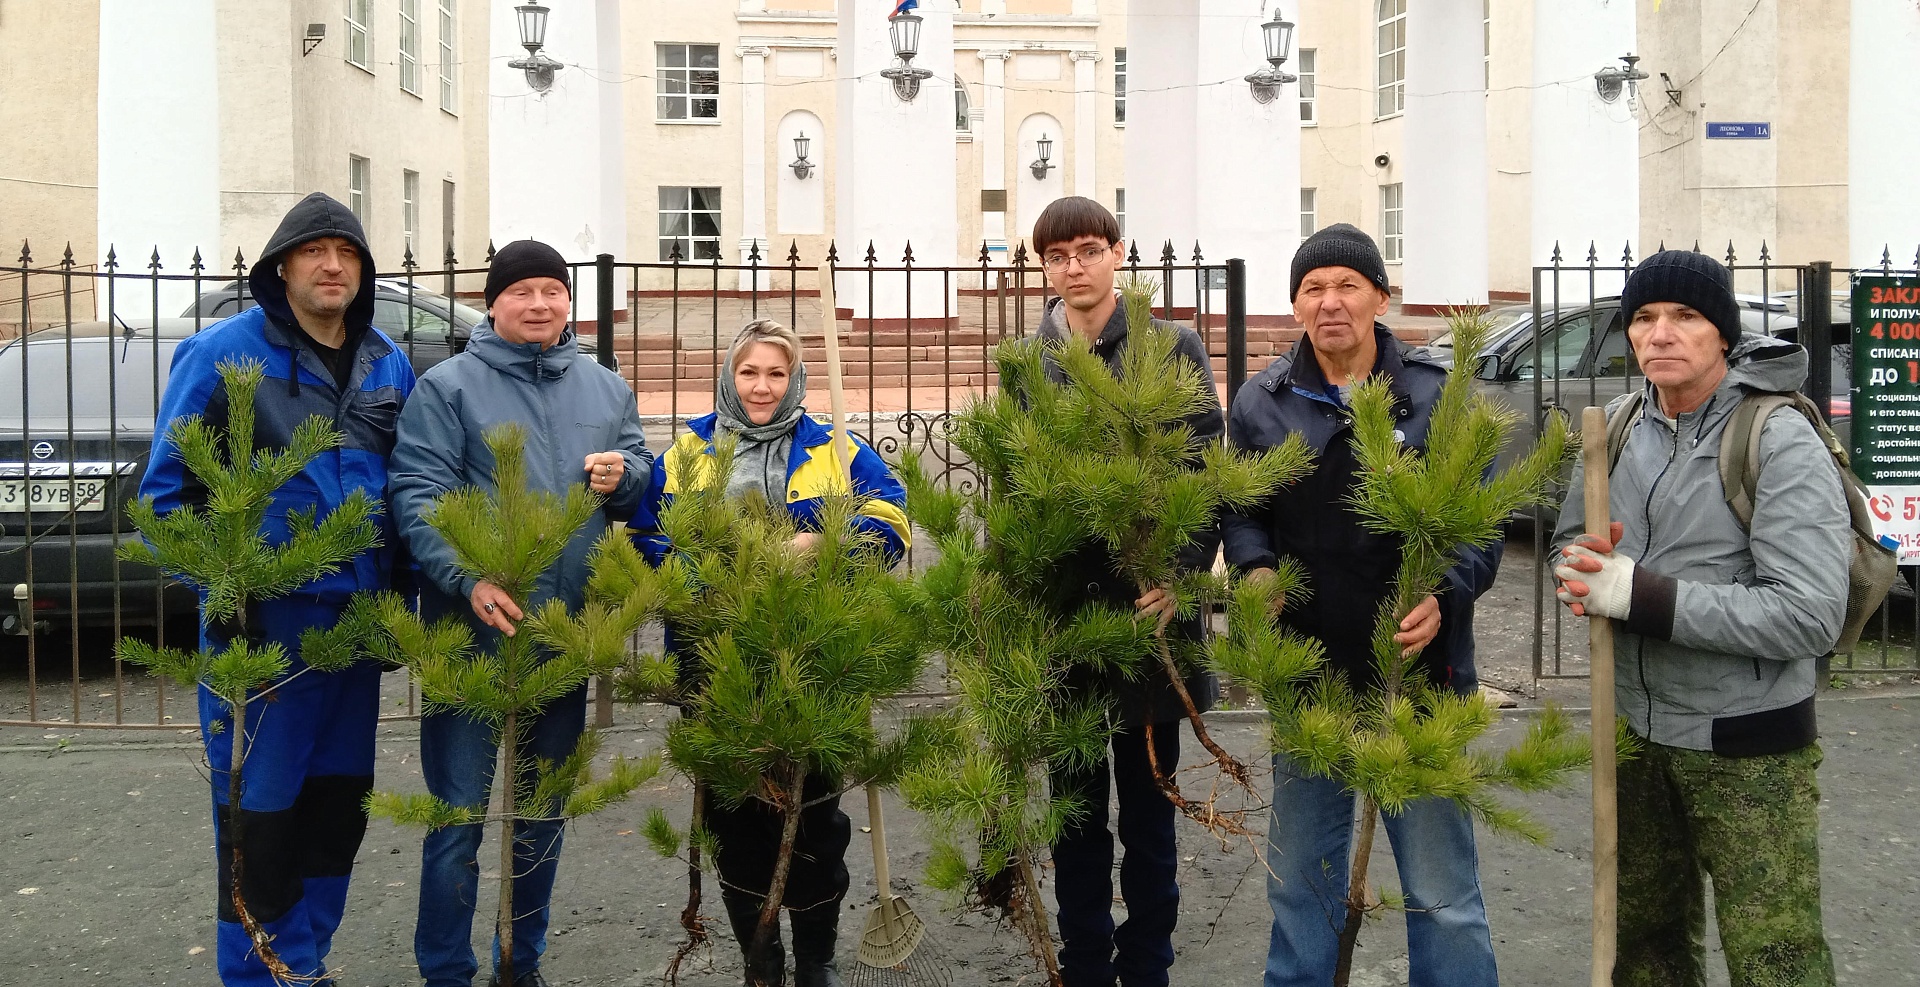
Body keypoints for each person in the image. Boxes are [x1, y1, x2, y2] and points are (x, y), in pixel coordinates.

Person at [139, 192, 416, 986]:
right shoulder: (223, 355)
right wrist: (231, 592)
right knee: (261, 817)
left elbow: (404, 492)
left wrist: (398, 605)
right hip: (264, 634)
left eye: (348, 252)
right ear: (281, 267)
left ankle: (304, 963)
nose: (333, 266)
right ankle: (260, 974)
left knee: (336, 810)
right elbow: (164, 500)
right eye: (314, 251)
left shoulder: (385, 361)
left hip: (354, 632)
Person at [1552, 250, 1846, 987]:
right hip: (1634, 734)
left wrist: (1639, 595)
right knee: (1647, 956)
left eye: (1685, 316)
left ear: (1722, 332)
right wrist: (1578, 569)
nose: (1660, 333)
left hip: (1748, 747)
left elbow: (1809, 613)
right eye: (1645, 317)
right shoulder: (1619, 427)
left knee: (1776, 962)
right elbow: (1570, 538)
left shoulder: (1775, 436)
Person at [1221, 223, 1504, 987]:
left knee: (1442, 894)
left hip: (1420, 677)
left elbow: (1482, 522)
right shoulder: (1264, 402)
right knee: (1299, 884)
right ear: (1296, 306)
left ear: (1381, 296)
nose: (1330, 301)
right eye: (1313, 288)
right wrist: (1255, 566)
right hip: (1311, 678)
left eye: (1348, 285)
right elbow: (1242, 508)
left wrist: (1445, 593)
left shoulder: (1436, 394)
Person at [388, 239, 653, 987]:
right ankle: (446, 970)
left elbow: (638, 475)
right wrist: (465, 575)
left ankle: (520, 961)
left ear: (568, 301)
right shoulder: (449, 388)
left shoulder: (605, 388)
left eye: (552, 291)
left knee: (541, 815)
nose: (539, 304)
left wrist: (626, 475)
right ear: (493, 302)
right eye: (522, 291)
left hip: (562, 636)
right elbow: (417, 492)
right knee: (459, 816)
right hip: (473, 635)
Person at [630, 319, 911, 987]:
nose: (761, 386)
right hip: (715, 657)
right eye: (749, 372)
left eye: (776, 374)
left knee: (815, 819)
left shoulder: (834, 449)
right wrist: (713, 577)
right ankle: (762, 961)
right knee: (735, 819)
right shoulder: (690, 451)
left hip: (814, 655)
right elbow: (649, 536)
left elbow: (894, 521)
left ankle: (816, 960)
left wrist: (823, 543)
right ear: (730, 377)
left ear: (796, 380)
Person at [1018, 195, 1224, 987]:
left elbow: (1206, 469)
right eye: (1057, 255)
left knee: (1148, 813)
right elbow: (1017, 485)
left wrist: (1180, 574)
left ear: (1117, 253)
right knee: (1074, 818)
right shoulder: (1029, 361)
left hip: (1147, 616)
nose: (1074, 267)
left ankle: (1146, 965)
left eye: (1089, 250)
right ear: (1044, 266)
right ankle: (1084, 964)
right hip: (1067, 618)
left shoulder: (1171, 347)